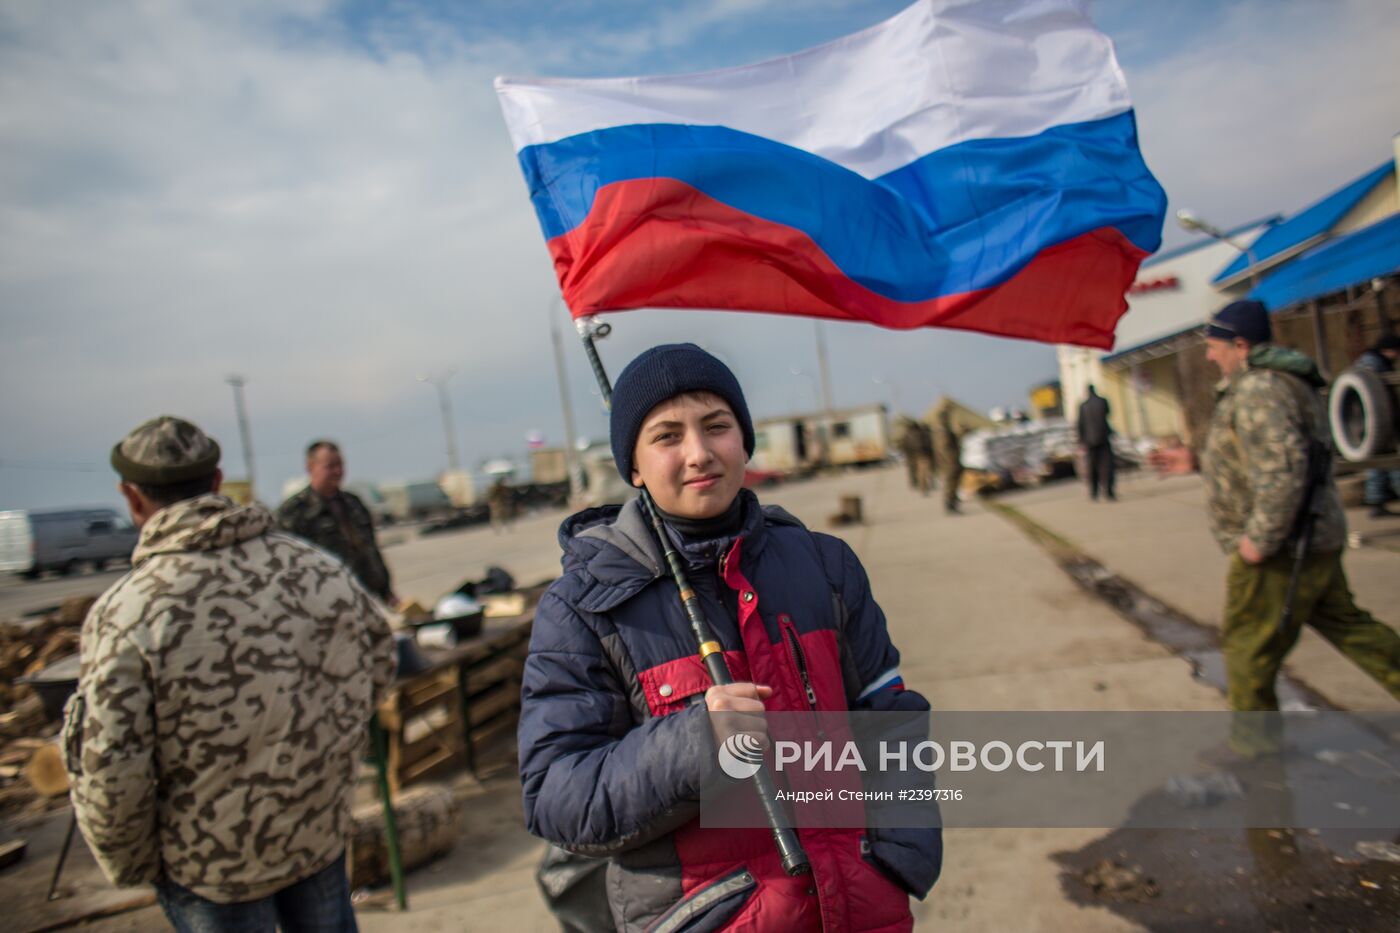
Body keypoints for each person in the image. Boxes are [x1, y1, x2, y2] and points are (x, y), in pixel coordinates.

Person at [518, 344, 940, 932]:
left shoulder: (826, 565)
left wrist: (901, 855)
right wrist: (693, 746)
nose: (698, 453)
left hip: (864, 908)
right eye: (667, 436)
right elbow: (556, 797)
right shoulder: (582, 608)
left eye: (716, 426)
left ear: (744, 440)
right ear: (633, 467)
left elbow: (891, 717)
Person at [62, 415, 396, 931]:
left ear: (131, 498)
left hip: (210, 865)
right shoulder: (316, 569)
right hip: (314, 836)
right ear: (216, 483)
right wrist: (322, 776)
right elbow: (379, 665)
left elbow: (110, 767)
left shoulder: (128, 612)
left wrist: (135, 865)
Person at [1152, 301, 1400, 734]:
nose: (1210, 356)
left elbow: (1282, 470)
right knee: (1354, 631)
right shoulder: (1280, 382)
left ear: (1241, 345)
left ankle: (1254, 751)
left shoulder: (1259, 389)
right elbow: (1263, 454)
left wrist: (1259, 542)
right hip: (1311, 536)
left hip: (1282, 549)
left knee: (1247, 648)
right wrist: (1198, 460)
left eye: (1214, 346)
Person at [278, 440, 395, 603]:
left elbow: (371, 551)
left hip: (367, 596)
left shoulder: (353, 503)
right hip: (327, 601)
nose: (338, 471)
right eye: (330, 466)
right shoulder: (295, 511)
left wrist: (386, 591)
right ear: (310, 467)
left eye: (340, 465)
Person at [1353, 335, 1400, 518]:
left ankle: (1376, 501)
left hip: (1369, 420)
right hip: (1376, 419)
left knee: (1377, 461)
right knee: (1388, 460)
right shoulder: (1373, 364)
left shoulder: (1368, 362)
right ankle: (1377, 501)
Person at [1076, 384, 1116, 501]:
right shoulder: (1102, 401)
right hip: (1103, 438)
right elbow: (1108, 414)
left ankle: (1094, 492)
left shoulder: (1083, 406)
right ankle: (1109, 491)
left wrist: (1081, 440)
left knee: (1092, 467)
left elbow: (1080, 424)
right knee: (1107, 465)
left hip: (1089, 441)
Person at [932, 399, 963, 514]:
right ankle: (950, 504)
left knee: (952, 482)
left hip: (950, 461)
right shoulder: (943, 432)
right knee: (951, 483)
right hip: (950, 461)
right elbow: (945, 448)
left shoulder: (941, 431)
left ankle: (952, 502)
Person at [897, 416, 935, 495]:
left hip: (912, 456)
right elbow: (928, 443)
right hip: (923, 455)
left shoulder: (908, 435)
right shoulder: (921, 433)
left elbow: (903, 446)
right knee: (924, 471)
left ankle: (920, 486)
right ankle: (924, 487)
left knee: (917, 471)